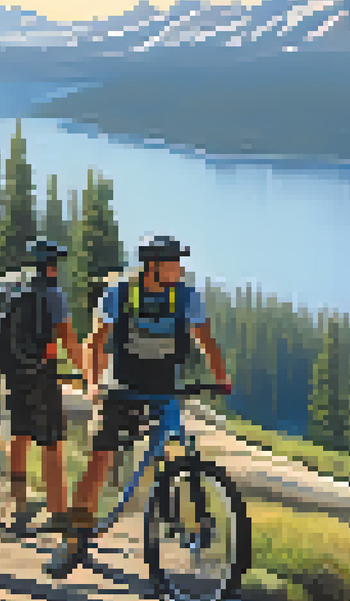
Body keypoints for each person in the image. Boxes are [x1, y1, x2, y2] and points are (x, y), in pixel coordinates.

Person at [70, 234, 231, 556]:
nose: (180, 268)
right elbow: (95, 342)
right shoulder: (119, 293)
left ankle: (176, 515)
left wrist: (221, 378)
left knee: (175, 448)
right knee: (101, 455)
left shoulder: (186, 297)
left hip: (164, 388)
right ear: (153, 266)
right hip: (121, 387)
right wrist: (93, 384)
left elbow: (205, 340)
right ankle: (73, 537)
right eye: (174, 263)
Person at [2, 239, 87, 531]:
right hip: (42, 375)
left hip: (13, 372)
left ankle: (19, 508)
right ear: (51, 266)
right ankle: (58, 513)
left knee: (20, 436)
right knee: (52, 443)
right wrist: (86, 372)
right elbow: (69, 341)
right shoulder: (53, 294)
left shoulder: (12, 288)